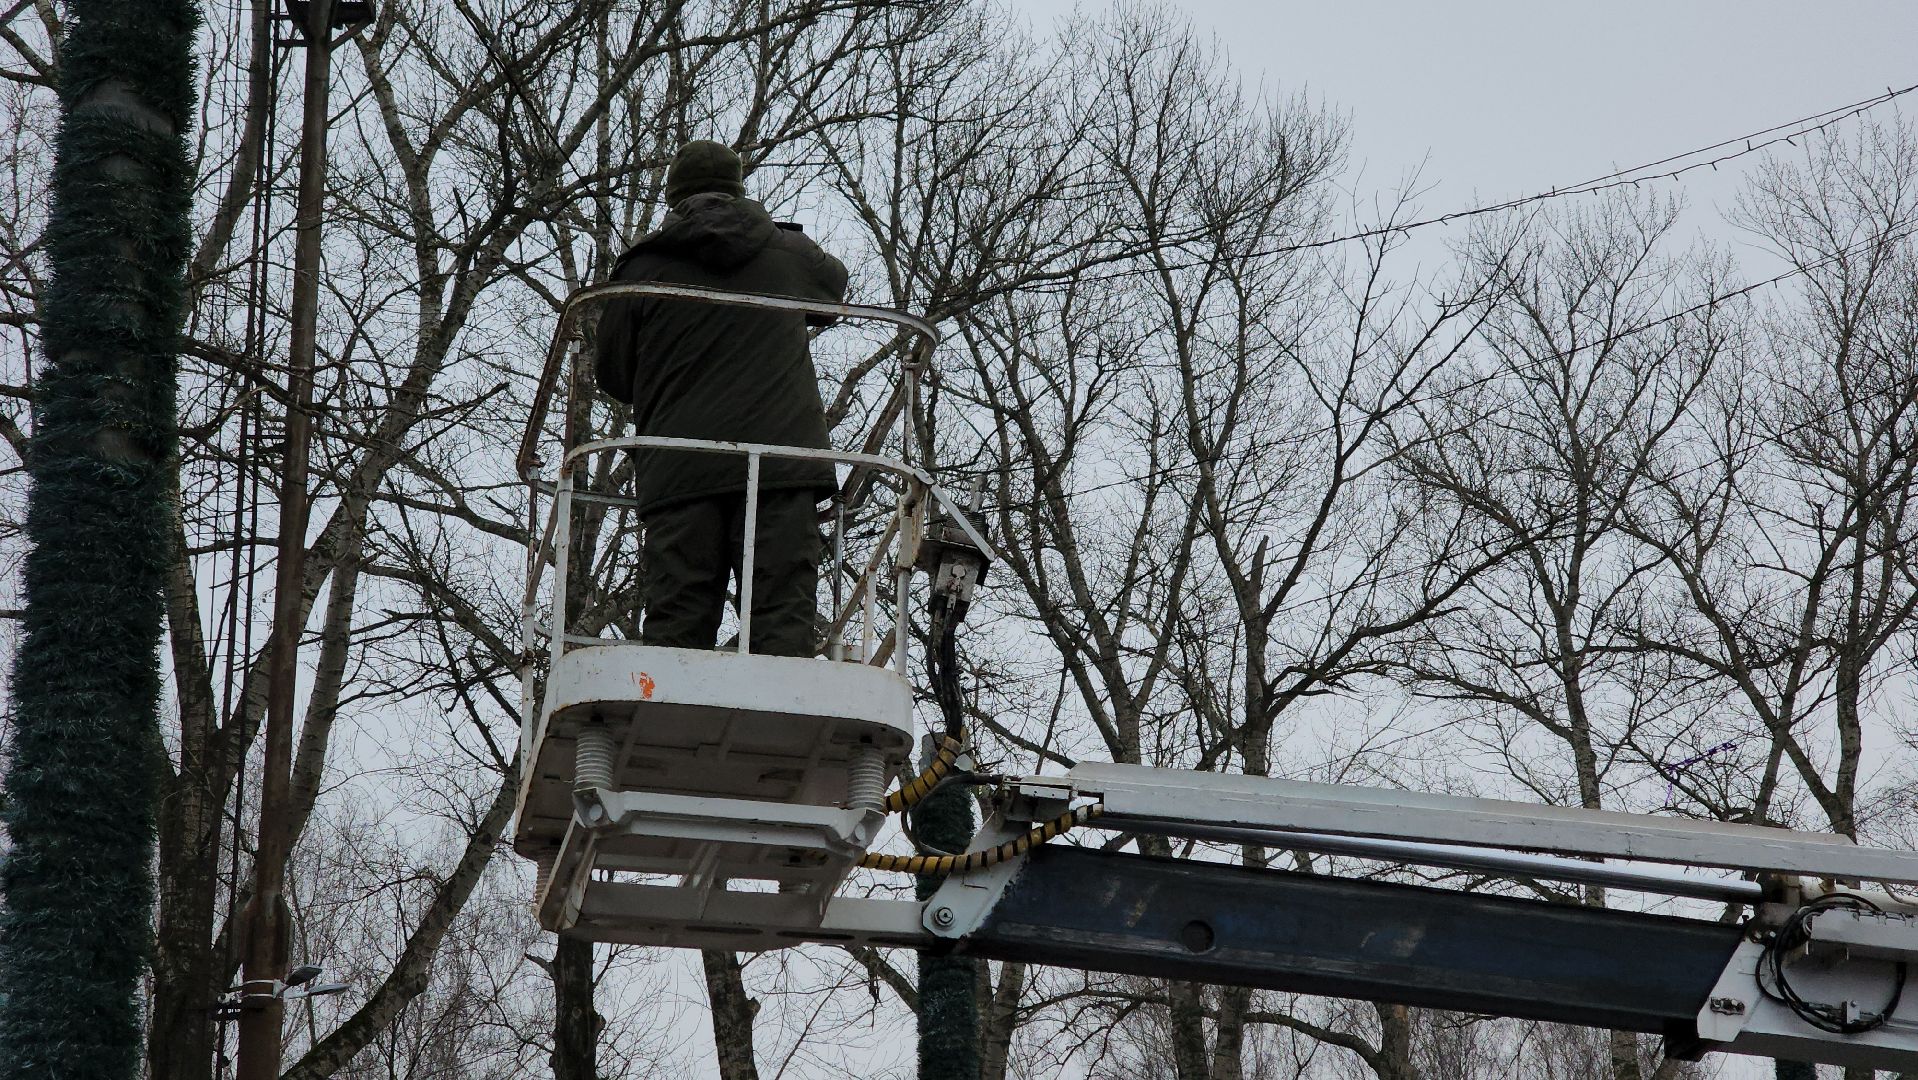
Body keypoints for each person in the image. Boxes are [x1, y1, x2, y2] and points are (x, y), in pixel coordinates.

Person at [593, 140, 849, 657]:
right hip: (783, 465)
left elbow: (614, 375)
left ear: (674, 198)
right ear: (738, 187)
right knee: (781, 615)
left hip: (681, 468)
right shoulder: (786, 252)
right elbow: (833, 287)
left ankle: (665, 717)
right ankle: (780, 718)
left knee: (678, 621)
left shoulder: (641, 269)